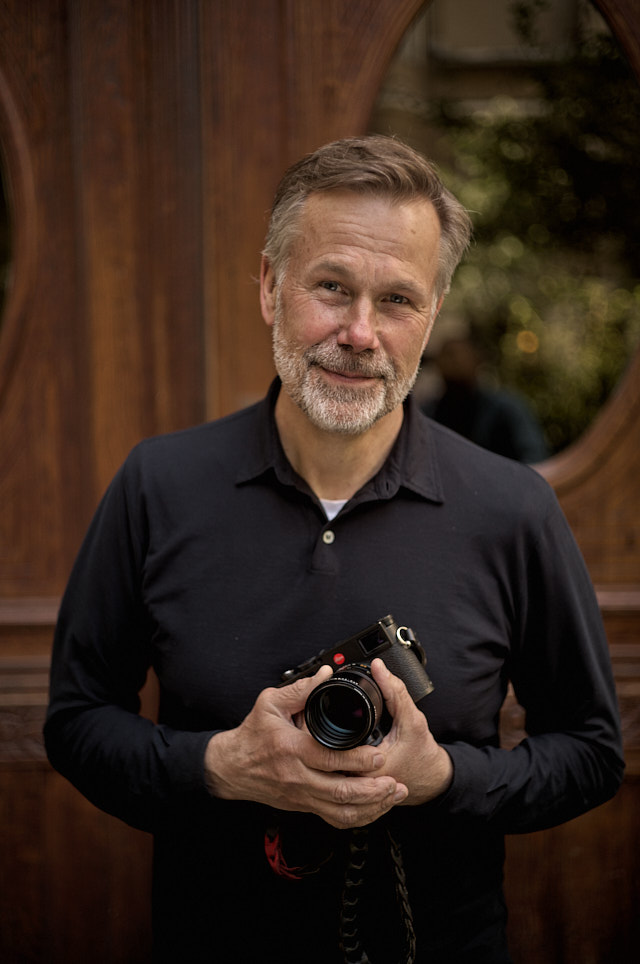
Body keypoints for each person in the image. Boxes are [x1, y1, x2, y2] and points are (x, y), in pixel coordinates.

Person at [44, 135, 624, 964]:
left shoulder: (514, 506)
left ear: (432, 314)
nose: (360, 331)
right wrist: (220, 766)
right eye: (331, 286)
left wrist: (445, 780)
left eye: (397, 300)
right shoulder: (157, 484)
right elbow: (74, 723)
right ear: (271, 287)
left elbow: (592, 752)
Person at [423, 335, 549, 463]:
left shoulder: (505, 409)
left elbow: (534, 457)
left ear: (476, 360)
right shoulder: (428, 413)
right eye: (447, 355)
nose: (453, 363)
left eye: (458, 356)